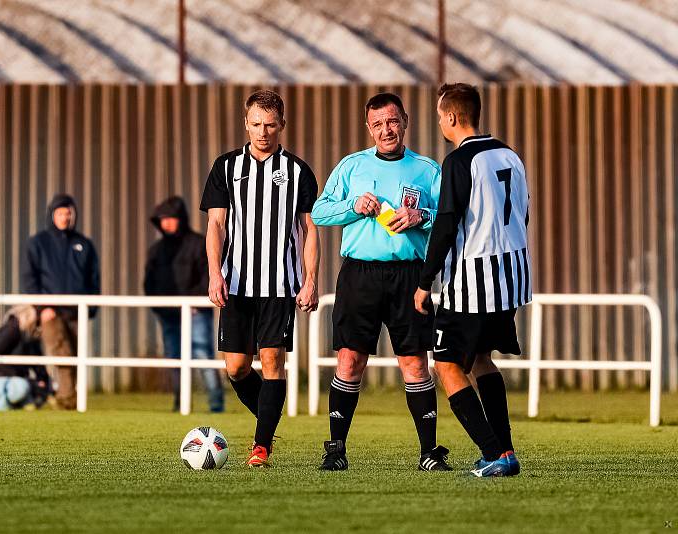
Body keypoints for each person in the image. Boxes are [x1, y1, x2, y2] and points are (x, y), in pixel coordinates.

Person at [311, 92, 450, 472]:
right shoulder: (351, 166)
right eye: (378, 124)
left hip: (410, 276)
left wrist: (422, 215)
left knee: (415, 364)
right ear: (368, 127)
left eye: (392, 121)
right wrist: (352, 207)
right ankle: (336, 450)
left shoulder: (427, 170)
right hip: (360, 273)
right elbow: (320, 212)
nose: (386, 130)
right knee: (350, 359)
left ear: (405, 121)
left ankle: (428, 453)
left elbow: (450, 217)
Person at [414, 83, 531, 477]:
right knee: (482, 359)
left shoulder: (460, 161)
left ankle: (496, 454)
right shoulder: (510, 155)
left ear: (450, 116)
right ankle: (505, 450)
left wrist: (423, 282)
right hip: (510, 277)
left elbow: (446, 224)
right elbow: (523, 216)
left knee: (446, 365)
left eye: (439, 115)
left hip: (470, 284)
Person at [201, 89, 320, 467]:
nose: (263, 131)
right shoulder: (225, 167)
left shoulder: (299, 171)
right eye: (256, 124)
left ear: (282, 125)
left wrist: (310, 279)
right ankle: (269, 419)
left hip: (278, 286)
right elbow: (216, 224)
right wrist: (214, 274)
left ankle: (261, 445)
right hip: (235, 283)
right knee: (236, 367)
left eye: (270, 125)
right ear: (246, 123)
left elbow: (309, 230)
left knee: (272, 361)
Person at [144, 196, 225, 413]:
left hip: (197, 313)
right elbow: (149, 282)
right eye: (162, 219)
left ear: (181, 218)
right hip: (169, 315)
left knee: (202, 355)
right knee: (174, 359)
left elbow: (208, 276)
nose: (166, 223)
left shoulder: (199, 244)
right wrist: (160, 308)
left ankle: (216, 404)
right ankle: (180, 402)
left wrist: (196, 302)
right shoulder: (157, 250)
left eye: (171, 218)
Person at [22, 193, 100, 410]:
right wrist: (42, 307)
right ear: (52, 215)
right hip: (51, 312)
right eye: (60, 213)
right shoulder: (38, 243)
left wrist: (91, 308)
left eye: (68, 213)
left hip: (77, 312)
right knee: (62, 352)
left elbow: (93, 279)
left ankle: (69, 397)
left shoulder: (84, 244)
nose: (64, 217)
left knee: (75, 354)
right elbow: (30, 279)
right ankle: (67, 400)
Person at [0, 306, 52, 411]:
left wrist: (43, 383)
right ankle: (2, 409)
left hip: (14, 383)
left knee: (36, 393)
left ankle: (11, 406)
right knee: (21, 387)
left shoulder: (30, 336)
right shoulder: (12, 329)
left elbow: (38, 365)